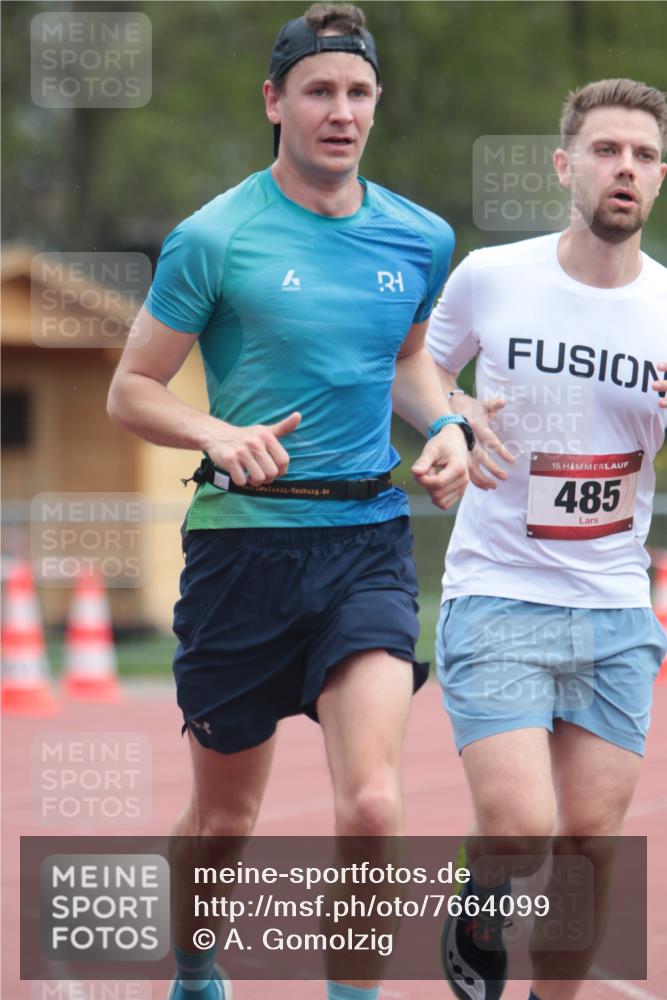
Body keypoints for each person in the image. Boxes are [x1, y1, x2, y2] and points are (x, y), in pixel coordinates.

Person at [107, 4, 474, 999]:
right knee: (225, 822)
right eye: (319, 90)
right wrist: (215, 433)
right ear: (275, 101)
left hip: (366, 542)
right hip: (242, 554)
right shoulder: (212, 237)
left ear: (376, 106)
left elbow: (403, 363)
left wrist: (443, 429)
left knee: (370, 806)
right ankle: (195, 966)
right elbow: (130, 388)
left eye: (357, 93)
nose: (340, 111)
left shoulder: (419, 234)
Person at [426, 78, 667, 1000]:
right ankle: (479, 892)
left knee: (587, 847)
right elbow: (417, 372)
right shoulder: (493, 276)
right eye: (607, 151)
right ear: (566, 166)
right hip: (499, 593)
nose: (625, 169)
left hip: (612, 605)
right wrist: (449, 421)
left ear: (658, 179)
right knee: (520, 829)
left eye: (643, 157)